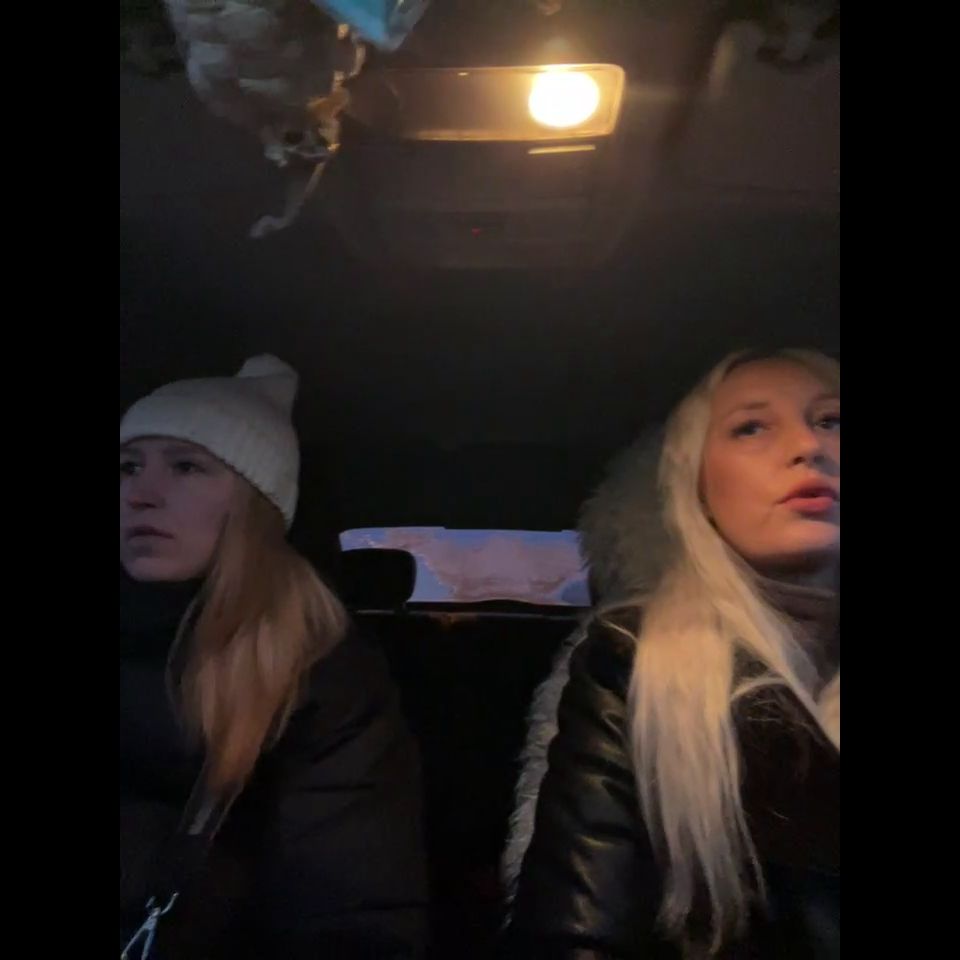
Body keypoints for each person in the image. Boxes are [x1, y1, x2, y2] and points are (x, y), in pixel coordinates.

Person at [504, 348, 840, 958]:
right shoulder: (635, 662)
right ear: (698, 491)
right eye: (751, 427)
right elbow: (577, 932)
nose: (808, 446)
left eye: (832, 420)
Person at [120, 355, 429, 959]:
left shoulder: (321, 674)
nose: (141, 494)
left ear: (254, 505)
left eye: (186, 467)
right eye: (128, 466)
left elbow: (350, 921)